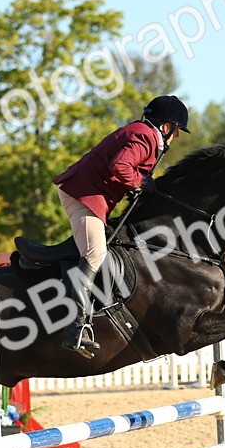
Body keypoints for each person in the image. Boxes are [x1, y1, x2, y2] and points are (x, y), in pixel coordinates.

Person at [53, 94, 189, 358]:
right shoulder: (145, 135)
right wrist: (140, 182)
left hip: (90, 194)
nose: (176, 138)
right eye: (176, 131)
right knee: (95, 254)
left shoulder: (141, 132)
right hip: (83, 195)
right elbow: (120, 165)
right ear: (165, 126)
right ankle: (76, 328)